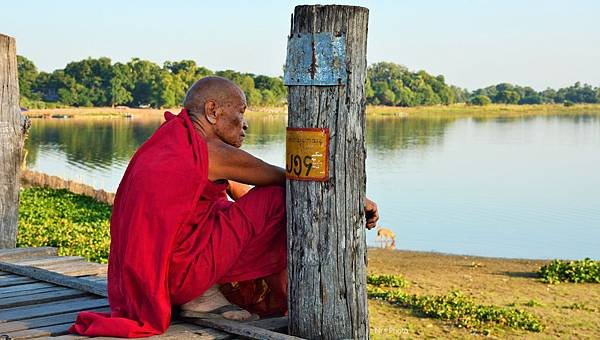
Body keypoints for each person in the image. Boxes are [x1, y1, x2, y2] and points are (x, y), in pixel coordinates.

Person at [69, 76, 379, 337]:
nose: (245, 125)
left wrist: (254, 225)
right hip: (180, 279)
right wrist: (351, 200)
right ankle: (210, 295)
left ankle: (205, 293)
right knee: (276, 199)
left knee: (241, 208)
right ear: (213, 111)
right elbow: (291, 181)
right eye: (241, 112)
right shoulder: (210, 151)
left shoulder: (172, 140)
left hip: (154, 281)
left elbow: (238, 192)